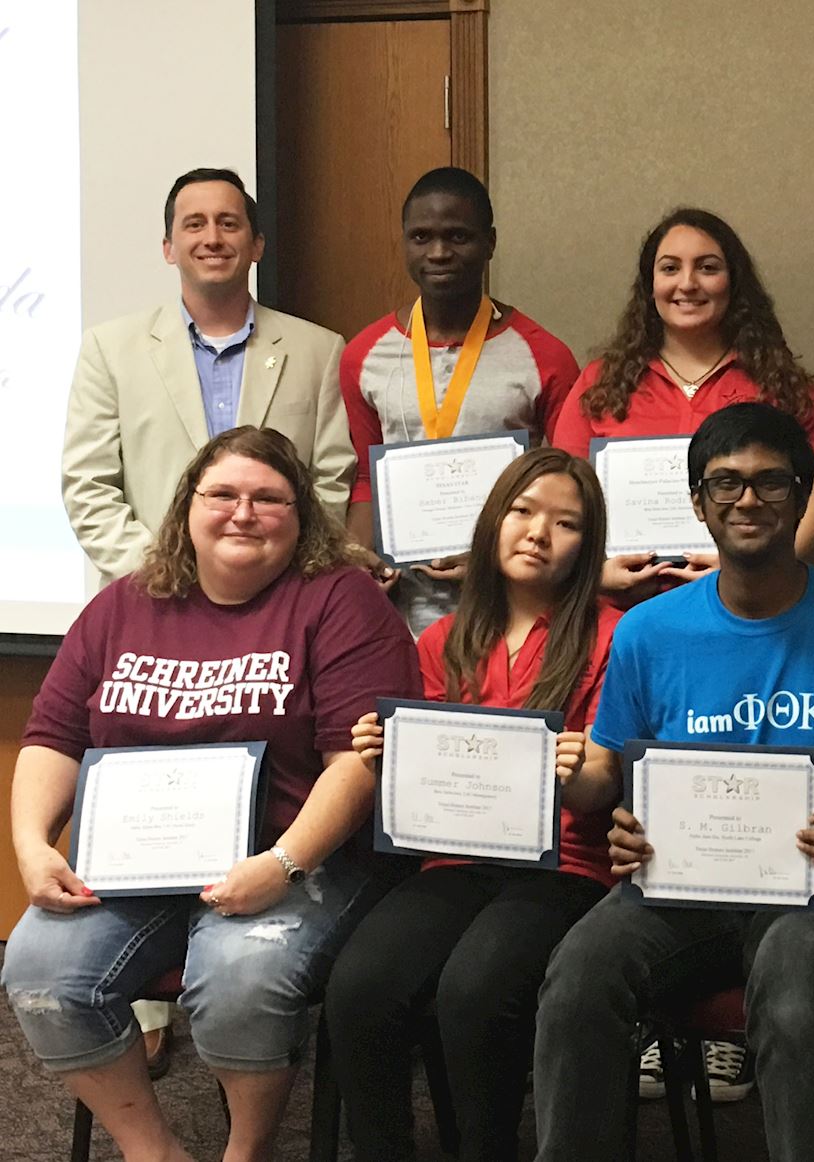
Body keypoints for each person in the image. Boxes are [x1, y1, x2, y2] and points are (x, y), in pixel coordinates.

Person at [531, 403, 814, 1162]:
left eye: (770, 484)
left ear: (801, 497)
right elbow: (613, 775)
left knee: (791, 984)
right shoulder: (649, 631)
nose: (748, 502)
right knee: (578, 975)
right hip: (684, 887)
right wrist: (610, 811)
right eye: (725, 485)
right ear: (698, 503)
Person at [3, 426, 419, 1162]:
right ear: (187, 507)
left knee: (240, 980)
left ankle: (245, 1151)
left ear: (301, 516)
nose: (242, 512)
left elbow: (357, 763)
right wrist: (33, 848)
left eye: (268, 499)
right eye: (222, 494)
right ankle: (152, 1149)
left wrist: (284, 863)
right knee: (39, 973)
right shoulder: (122, 604)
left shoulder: (342, 602)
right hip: (131, 869)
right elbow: (53, 738)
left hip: (295, 859)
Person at [324, 447, 619, 1161]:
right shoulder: (442, 638)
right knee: (358, 988)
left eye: (566, 523)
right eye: (522, 511)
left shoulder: (613, 635)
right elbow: (418, 786)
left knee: (476, 992)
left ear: (588, 546)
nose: (537, 533)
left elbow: (604, 787)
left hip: (566, 868)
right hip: (456, 860)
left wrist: (576, 772)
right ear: (493, 521)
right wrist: (386, 754)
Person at [63, 167, 354, 585]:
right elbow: (87, 485)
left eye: (229, 223)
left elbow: (331, 479)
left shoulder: (318, 351)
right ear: (168, 248)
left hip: (280, 598)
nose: (212, 238)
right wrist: (159, 571)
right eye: (194, 224)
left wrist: (290, 575)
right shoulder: (108, 351)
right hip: (155, 598)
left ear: (256, 246)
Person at [551, 208, 814, 604]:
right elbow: (561, 499)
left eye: (707, 267)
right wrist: (592, 572)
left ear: (733, 282)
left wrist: (745, 566)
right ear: (649, 286)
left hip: (758, 605)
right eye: (670, 268)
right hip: (626, 613)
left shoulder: (783, 384)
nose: (688, 284)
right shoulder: (601, 383)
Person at [340, 166, 581, 634]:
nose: (439, 252)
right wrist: (358, 562)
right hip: (401, 607)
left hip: (510, 602)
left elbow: (570, 487)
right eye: (421, 237)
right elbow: (366, 477)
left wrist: (498, 552)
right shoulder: (363, 355)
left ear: (490, 243)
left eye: (458, 237)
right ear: (404, 241)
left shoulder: (545, 355)